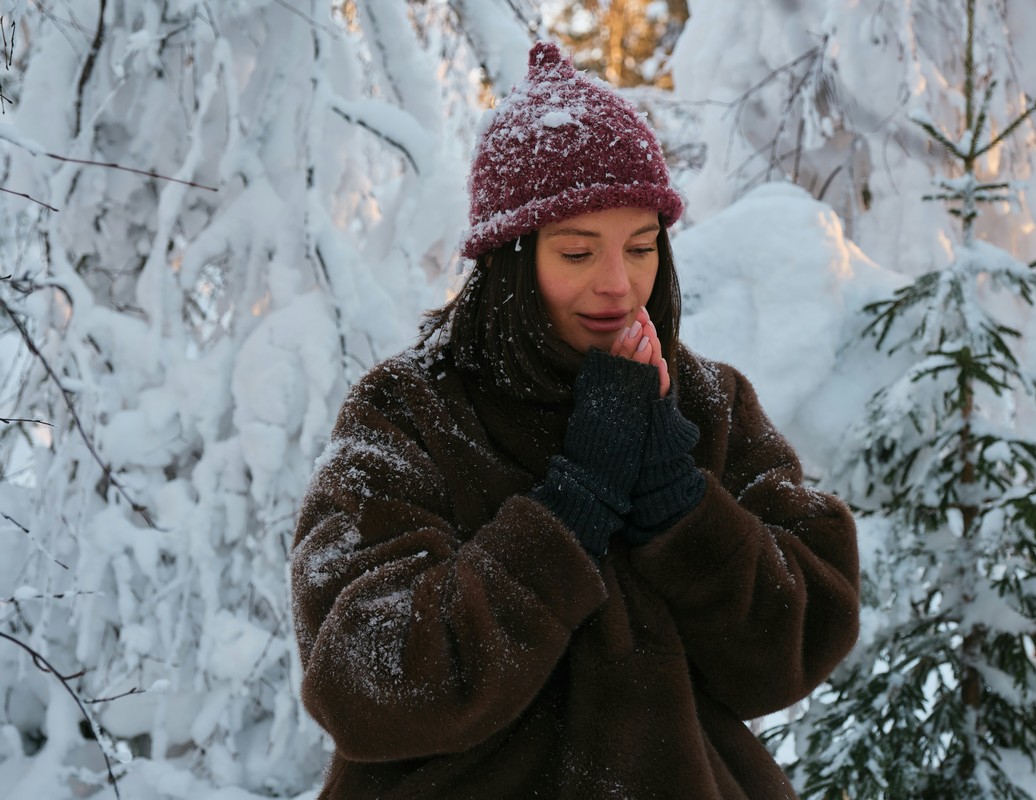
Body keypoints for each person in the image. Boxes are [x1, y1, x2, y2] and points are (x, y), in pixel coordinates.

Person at [290, 40, 859, 800]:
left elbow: (799, 639)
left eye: (642, 246)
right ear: (510, 258)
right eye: (578, 251)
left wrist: (676, 500)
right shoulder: (410, 414)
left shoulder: (703, 402)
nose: (618, 286)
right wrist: (571, 505)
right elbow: (362, 677)